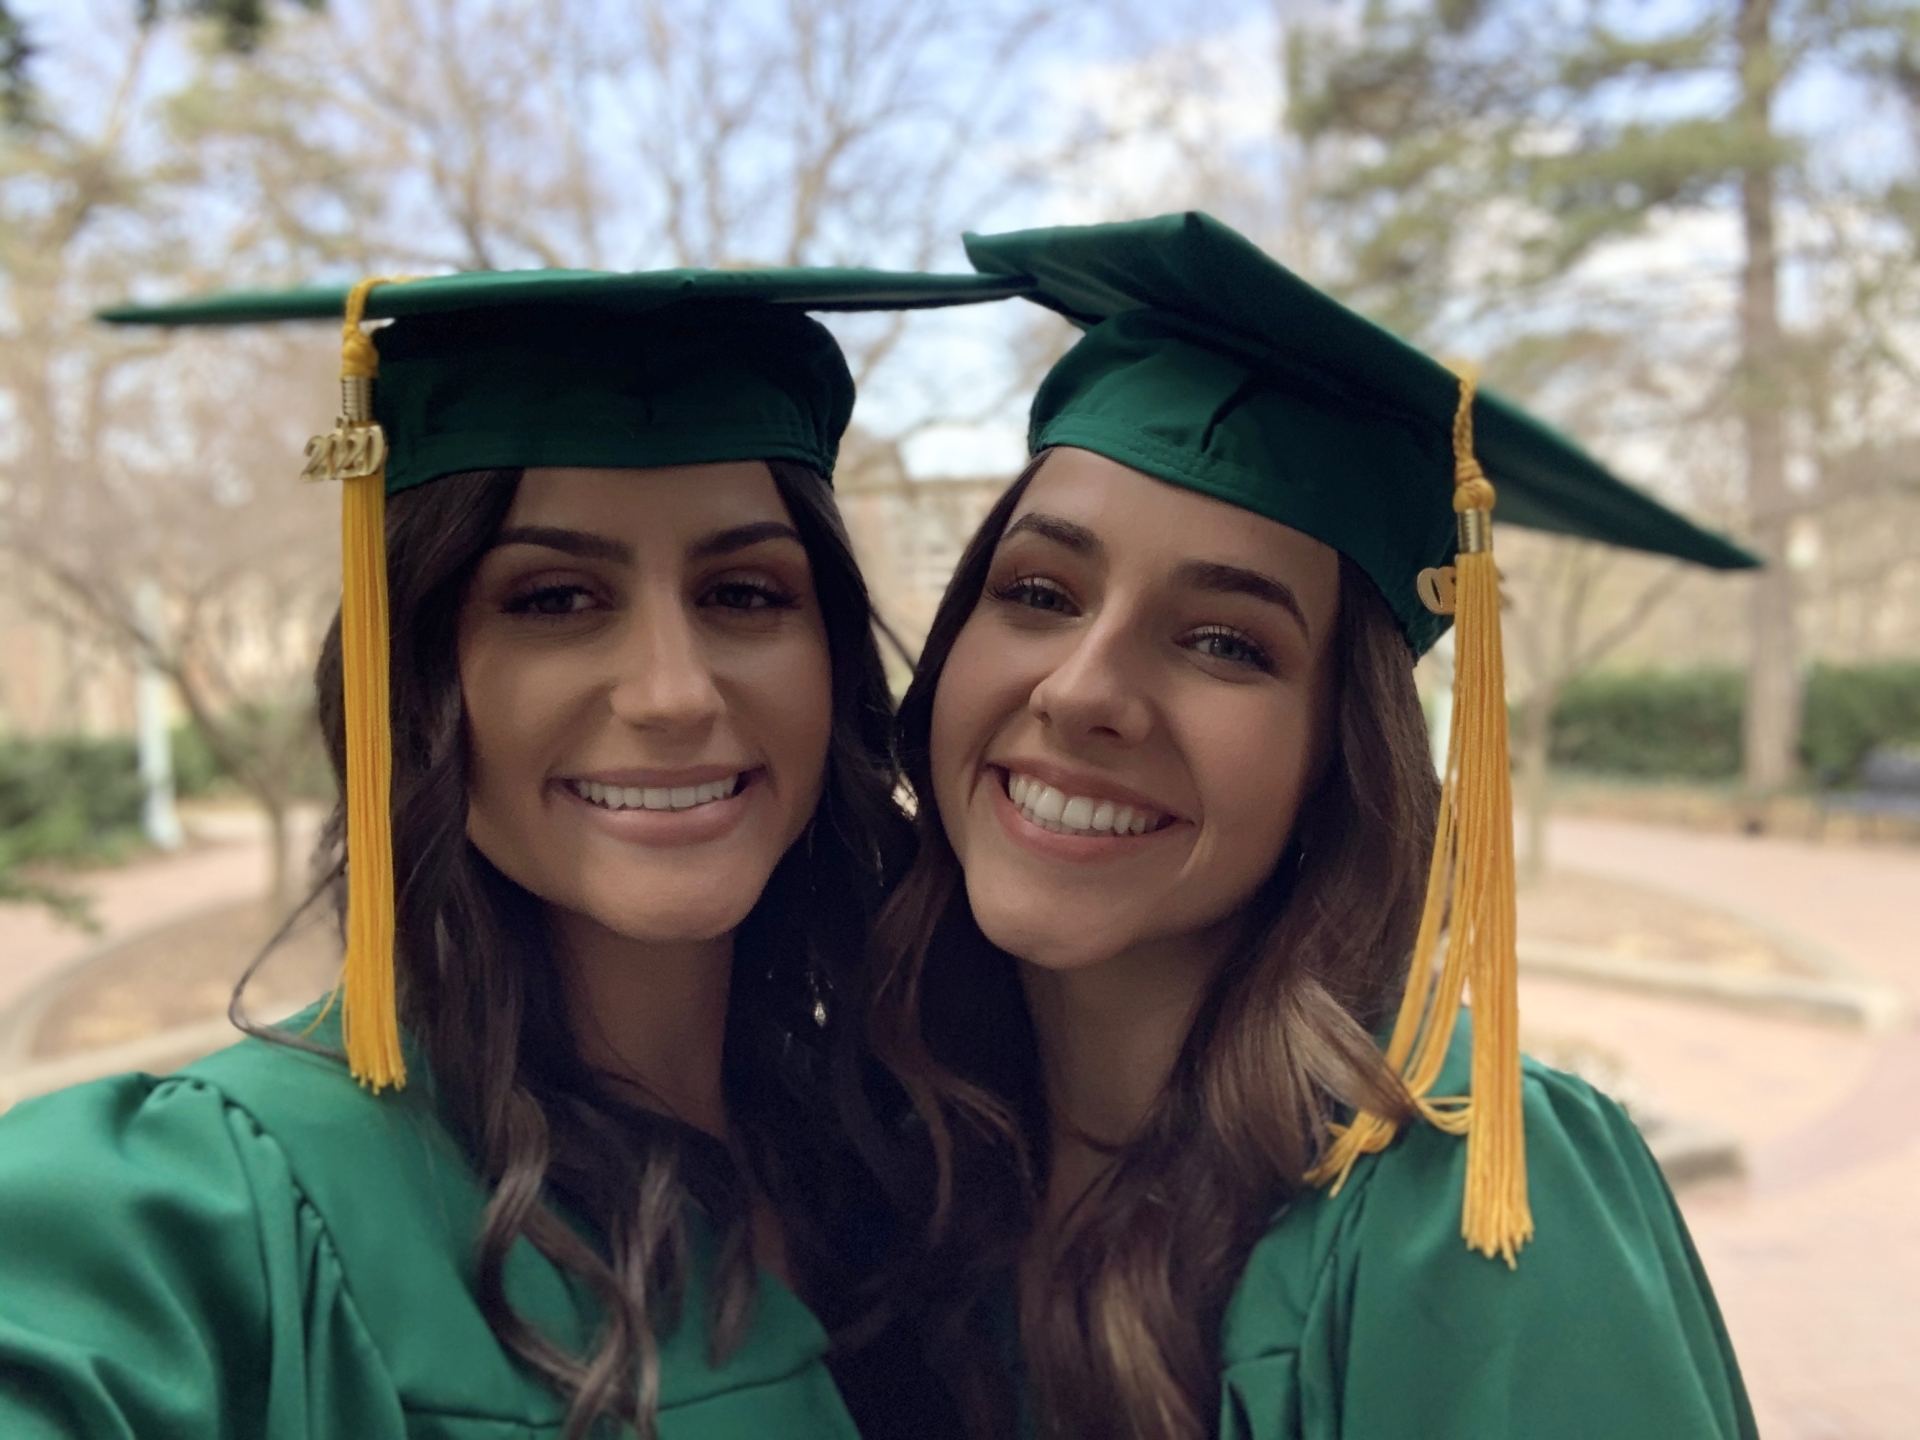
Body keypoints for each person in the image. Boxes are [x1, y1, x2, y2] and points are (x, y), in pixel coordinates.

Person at [0, 266, 1024, 1439]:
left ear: (832, 661)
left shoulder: (916, 1159)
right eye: (553, 599)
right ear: (419, 678)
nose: (673, 693)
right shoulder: (224, 1212)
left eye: (744, 592)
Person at [868, 213, 1760, 1439]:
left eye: (1226, 642)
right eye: (1039, 593)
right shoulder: (895, 1144)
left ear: (1339, 756)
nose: (1080, 690)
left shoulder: (1454, 1196)